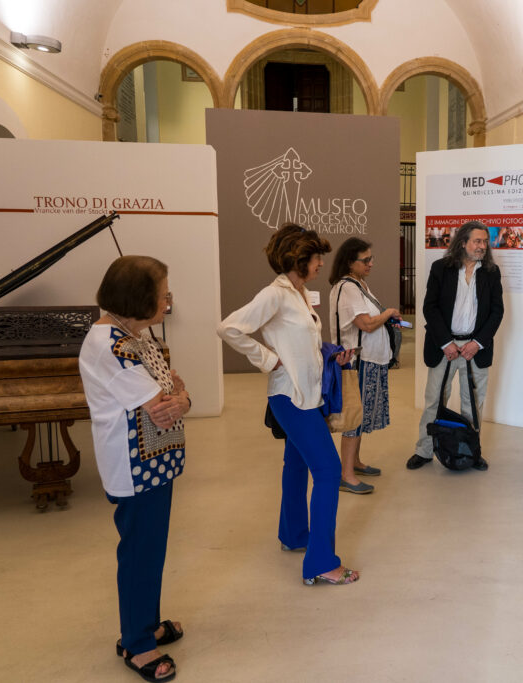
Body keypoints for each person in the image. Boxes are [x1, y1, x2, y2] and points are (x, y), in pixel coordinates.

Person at [217, 223, 359, 586]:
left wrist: (332, 355)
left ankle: (295, 535)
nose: (321, 263)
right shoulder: (275, 294)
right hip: (290, 396)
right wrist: (267, 359)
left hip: (307, 396)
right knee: (328, 471)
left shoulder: (299, 292)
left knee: (296, 467)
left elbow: (304, 344)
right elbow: (229, 328)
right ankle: (321, 563)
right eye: (316, 257)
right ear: (299, 258)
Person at [78, 255, 190, 682]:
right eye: (164, 296)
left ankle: (145, 622)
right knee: (141, 553)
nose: (168, 302)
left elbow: (173, 390)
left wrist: (179, 395)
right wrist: (179, 397)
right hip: (134, 466)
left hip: (153, 461)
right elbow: (165, 403)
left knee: (151, 550)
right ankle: (137, 644)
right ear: (140, 299)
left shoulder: (135, 335)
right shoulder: (112, 345)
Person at [407, 220, 503, 471]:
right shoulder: (441, 268)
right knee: (434, 401)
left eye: (485, 241)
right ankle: (424, 450)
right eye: (477, 241)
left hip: (476, 349)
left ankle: (471, 451)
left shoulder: (492, 272)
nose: (482, 246)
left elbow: (496, 311)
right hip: (444, 348)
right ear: (463, 242)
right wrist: (446, 343)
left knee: (473, 404)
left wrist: (477, 343)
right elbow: (430, 307)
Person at [328, 237, 400, 494]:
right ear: (350, 262)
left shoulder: (358, 284)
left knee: (362, 414)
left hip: (369, 360)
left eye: (371, 258)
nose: (371, 263)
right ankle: (345, 474)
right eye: (365, 260)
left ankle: (354, 463)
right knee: (354, 419)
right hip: (357, 361)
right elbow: (367, 324)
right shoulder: (346, 287)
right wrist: (389, 312)